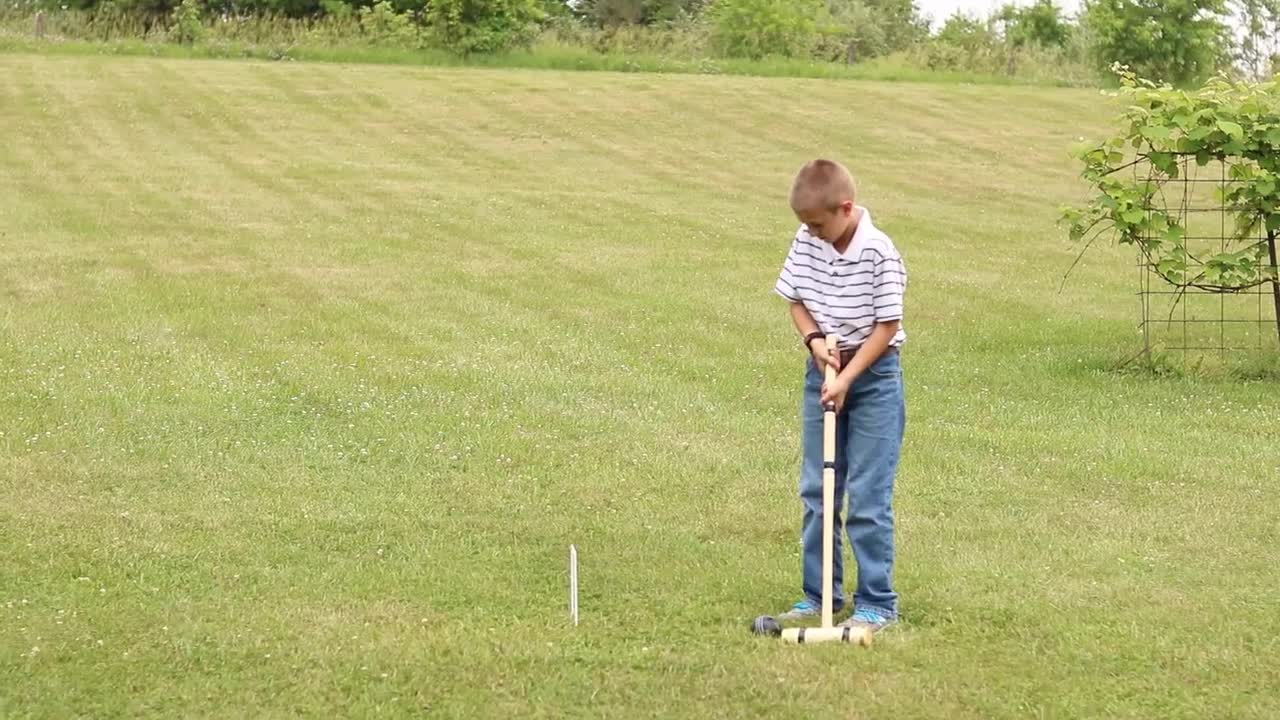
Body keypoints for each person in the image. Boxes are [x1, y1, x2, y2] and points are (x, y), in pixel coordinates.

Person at [772, 158, 908, 633]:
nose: (809, 233)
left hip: (872, 378)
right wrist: (814, 343)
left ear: (845, 208)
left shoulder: (878, 251)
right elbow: (796, 300)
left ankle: (877, 601)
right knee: (819, 489)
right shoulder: (807, 239)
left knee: (868, 496)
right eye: (804, 225)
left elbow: (887, 325)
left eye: (816, 224)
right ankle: (818, 595)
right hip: (824, 370)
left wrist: (848, 377)